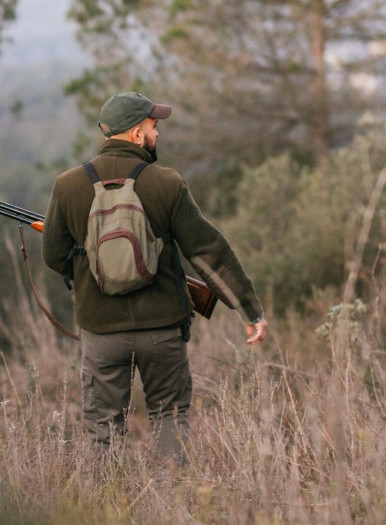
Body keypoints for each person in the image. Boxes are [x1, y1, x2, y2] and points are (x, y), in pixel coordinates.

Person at [41, 92, 268, 459]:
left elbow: (53, 255)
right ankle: (172, 502)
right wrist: (249, 309)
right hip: (162, 330)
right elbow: (207, 251)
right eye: (153, 126)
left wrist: (89, 271)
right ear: (135, 134)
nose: (157, 133)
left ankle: (105, 506)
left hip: (101, 331)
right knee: (169, 417)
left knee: (103, 429)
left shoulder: (67, 185)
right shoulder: (167, 183)